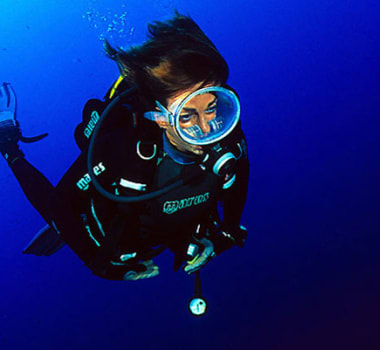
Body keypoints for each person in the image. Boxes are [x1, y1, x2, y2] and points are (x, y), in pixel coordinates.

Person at [0, 13, 248, 282]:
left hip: (173, 225)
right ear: (160, 118)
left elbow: (239, 173)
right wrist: (100, 265)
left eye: (212, 107)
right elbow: (60, 203)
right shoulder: (125, 149)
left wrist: (227, 232)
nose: (208, 130)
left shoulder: (227, 131)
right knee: (58, 215)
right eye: (186, 116)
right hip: (119, 225)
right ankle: (8, 146)